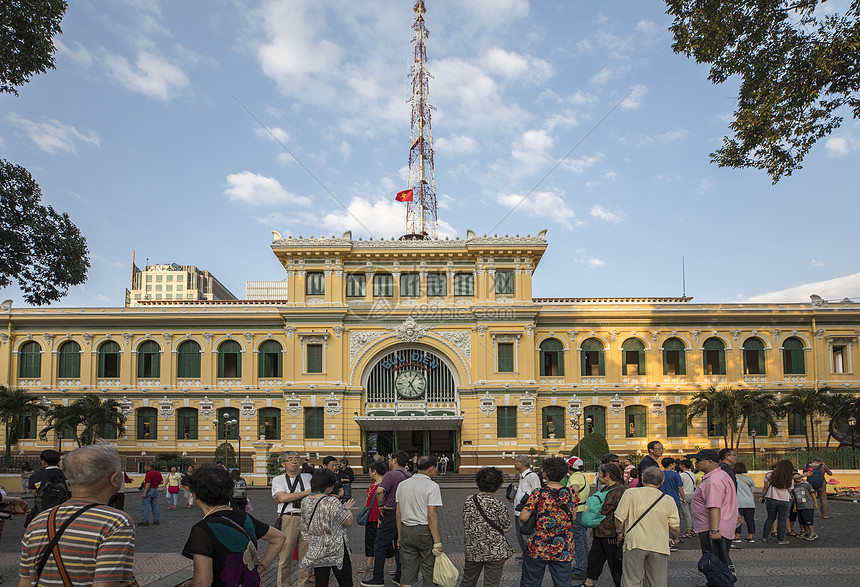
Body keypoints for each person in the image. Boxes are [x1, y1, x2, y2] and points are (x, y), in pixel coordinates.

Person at [19, 444, 136, 586]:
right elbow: (105, 584)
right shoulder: (115, 522)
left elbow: (25, 582)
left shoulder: (39, 520)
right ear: (115, 479)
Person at [182, 464, 285, 587]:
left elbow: (202, 582)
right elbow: (279, 537)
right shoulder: (244, 517)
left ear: (196, 495)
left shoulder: (203, 529)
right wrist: (260, 568)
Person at [614, 466, 679, 587]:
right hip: (659, 544)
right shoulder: (668, 500)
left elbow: (619, 518)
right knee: (657, 582)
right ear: (661, 482)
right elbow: (674, 527)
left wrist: (620, 532)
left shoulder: (630, 493)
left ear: (642, 479)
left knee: (631, 580)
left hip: (635, 542)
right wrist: (675, 538)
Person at [519, 456, 577, 587]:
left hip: (539, 544)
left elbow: (523, 517)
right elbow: (573, 517)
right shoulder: (571, 493)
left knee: (531, 581)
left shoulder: (539, 493)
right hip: (563, 545)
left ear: (545, 474)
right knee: (563, 583)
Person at [360, 450, 411, 587]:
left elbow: (379, 491)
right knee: (399, 545)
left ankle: (378, 578)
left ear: (394, 460)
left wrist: (381, 505)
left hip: (390, 514)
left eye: (390, 458)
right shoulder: (408, 475)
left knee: (380, 545)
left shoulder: (391, 475)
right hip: (404, 514)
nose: (389, 461)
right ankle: (399, 576)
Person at [300, 469, 356, 587]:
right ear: (329, 485)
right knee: (345, 582)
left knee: (320, 582)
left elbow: (304, 527)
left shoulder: (305, 501)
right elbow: (348, 521)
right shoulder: (332, 501)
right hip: (336, 548)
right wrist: (347, 508)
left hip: (317, 548)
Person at [395, 455, 443, 587]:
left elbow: (398, 512)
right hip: (424, 531)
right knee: (429, 569)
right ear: (432, 468)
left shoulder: (402, 485)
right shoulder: (432, 486)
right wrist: (437, 541)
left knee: (407, 571)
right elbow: (431, 515)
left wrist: (399, 535)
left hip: (406, 530)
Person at [689, 449, 737, 582]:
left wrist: (714, 530)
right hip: (717, 526)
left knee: (714, 563)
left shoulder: (714, 480)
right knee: (716, 561)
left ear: (710, 462)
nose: (696, 463)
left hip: (712, 528)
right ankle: (714, 583)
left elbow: (714, 506)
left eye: (698, 461)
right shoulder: (719, 475)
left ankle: (720, 583)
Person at [462, 466, 513, 587]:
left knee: (468, 581)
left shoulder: (469, 501)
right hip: (495, 551)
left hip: (473, 548)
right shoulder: (499, 505)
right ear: (498, 485)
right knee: (492, 584)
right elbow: (506, 528)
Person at [271, 450, 312, 587]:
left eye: (297, 459)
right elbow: (282, 497)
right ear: (283, 463)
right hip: (288, 518)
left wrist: (290, 496)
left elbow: (312, 497)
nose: (294, 461)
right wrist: (305, 493)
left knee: (305, 557)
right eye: (290, 459)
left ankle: (303, 584)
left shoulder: (307, 477)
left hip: (306, 518)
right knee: (285, 557)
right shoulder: (278, 479)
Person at [584, 463, 626, 587]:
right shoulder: (604, 489)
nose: (598, 476)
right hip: (600, 532)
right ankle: (589, 582)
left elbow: (623, 513)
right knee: (594, 559)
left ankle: (619, 584)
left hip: (612, 533)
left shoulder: (621, 491)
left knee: (615, 564)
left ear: (607, 475)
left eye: (599, 474)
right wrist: (594, 528)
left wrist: (621, 532)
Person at [509, 454, 543, 562]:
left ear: (522, 463)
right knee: (520, 535)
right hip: (518, 511)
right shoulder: (522, 476)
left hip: (526, 512)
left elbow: (537, 493)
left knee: (526, 535)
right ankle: (525, 554)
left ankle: (530, 558)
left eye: (516, 462)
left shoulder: (532, 476)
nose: (514, 464)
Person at [361, 461, 393, 573]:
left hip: (381, 516)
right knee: (369, 540)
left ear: (374, 471)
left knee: (385, 541)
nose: (369, 473)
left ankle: (390, 563)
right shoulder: (373, 484)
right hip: (370, 516)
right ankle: (369, 562)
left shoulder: (385, 484)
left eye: (370, 470)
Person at [25, 449, 69, 526]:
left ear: (43, 462)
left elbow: (35, 494)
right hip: (63, 510)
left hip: (42, 511)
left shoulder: (35, 477)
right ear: (58, 461)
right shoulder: (67, 475)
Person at [565, 456, 591, 586]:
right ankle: (585, 566)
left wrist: (569, 503)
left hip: (577, 512)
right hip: (583, 511)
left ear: (570, 467)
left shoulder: (574, 477)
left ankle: (581, 569)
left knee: (578, 542)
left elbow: (574, 491)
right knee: (583, 540)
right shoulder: (582, 476)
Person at [761, 459, 794, 544]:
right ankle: (780, 539)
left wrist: (762, 496)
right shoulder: (789, 476)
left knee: (770, 518)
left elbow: (765, 487)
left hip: (771, 498)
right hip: (784, 500)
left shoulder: (769, 475)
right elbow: (790, 490)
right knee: (782, 519)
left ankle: (765, 537)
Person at [658, 457, 686, 548]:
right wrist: (684, 498)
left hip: (660, 500)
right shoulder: (675, 475)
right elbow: (679, 487)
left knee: (662, 520)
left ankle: (665, 539)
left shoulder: (659, 474)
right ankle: (675, 539)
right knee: (674, 521)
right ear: (671, 465)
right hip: (674, 500)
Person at [789, 472, 818, 540]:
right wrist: (795, 506)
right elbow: (795, 498)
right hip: (800, 507)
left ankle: (812, 533)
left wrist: (815, 503)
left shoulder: (807, 485)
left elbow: (812, 494)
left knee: (808, 520)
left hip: (807, 506)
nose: (798, 479)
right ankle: (805, 532)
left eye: (799, 477)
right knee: (802, 521)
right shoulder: (794, 487)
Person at [733, 462, 756, 543]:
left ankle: (737, 536)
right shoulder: (749, 479)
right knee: (750, 519)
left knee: (737, 519)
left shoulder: (732, 478)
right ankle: (750, 536)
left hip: (738, 502)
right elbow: (752, 492)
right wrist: (752, 502)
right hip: (749, 502)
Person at [140, 461, 163, 526]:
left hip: (149, 490)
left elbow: (148, 484)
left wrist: (145, 493)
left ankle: (145, 520)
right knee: (155, 505)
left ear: (149, 467)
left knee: (146, 506)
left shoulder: (148, 474)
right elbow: (161, 482)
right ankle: (156, 519)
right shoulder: (158, 473)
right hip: (155, 489)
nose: (144, 467)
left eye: (145, 466)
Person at [678, 459, 697, 538]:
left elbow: (680, 487)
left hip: (684, 495)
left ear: (682, 465)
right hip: (692, 494)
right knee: (692, 513)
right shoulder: (692, 474)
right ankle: (693, 529)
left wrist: (683, 498)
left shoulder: (682, 475)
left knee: (687, 514)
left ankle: (688, 530)